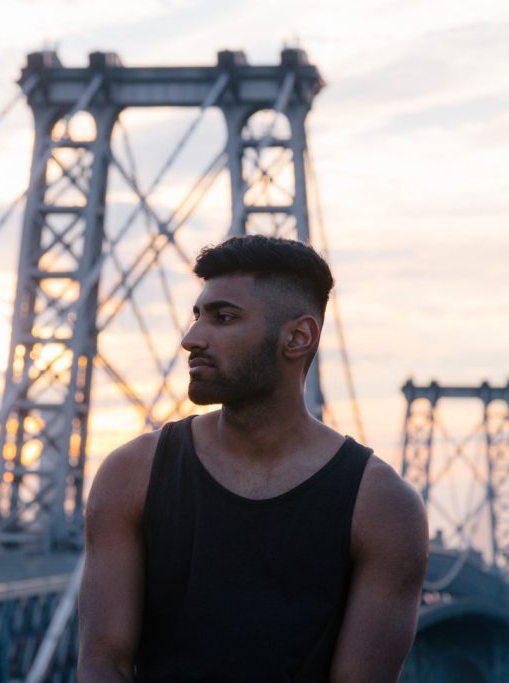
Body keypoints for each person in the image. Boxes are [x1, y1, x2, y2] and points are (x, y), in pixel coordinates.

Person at [77, 234, 428, 682]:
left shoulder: (382, 507)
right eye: (197, 316)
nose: (191, 339)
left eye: (224, 318)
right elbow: (102, 663)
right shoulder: (132, 475)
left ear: (298, 337)